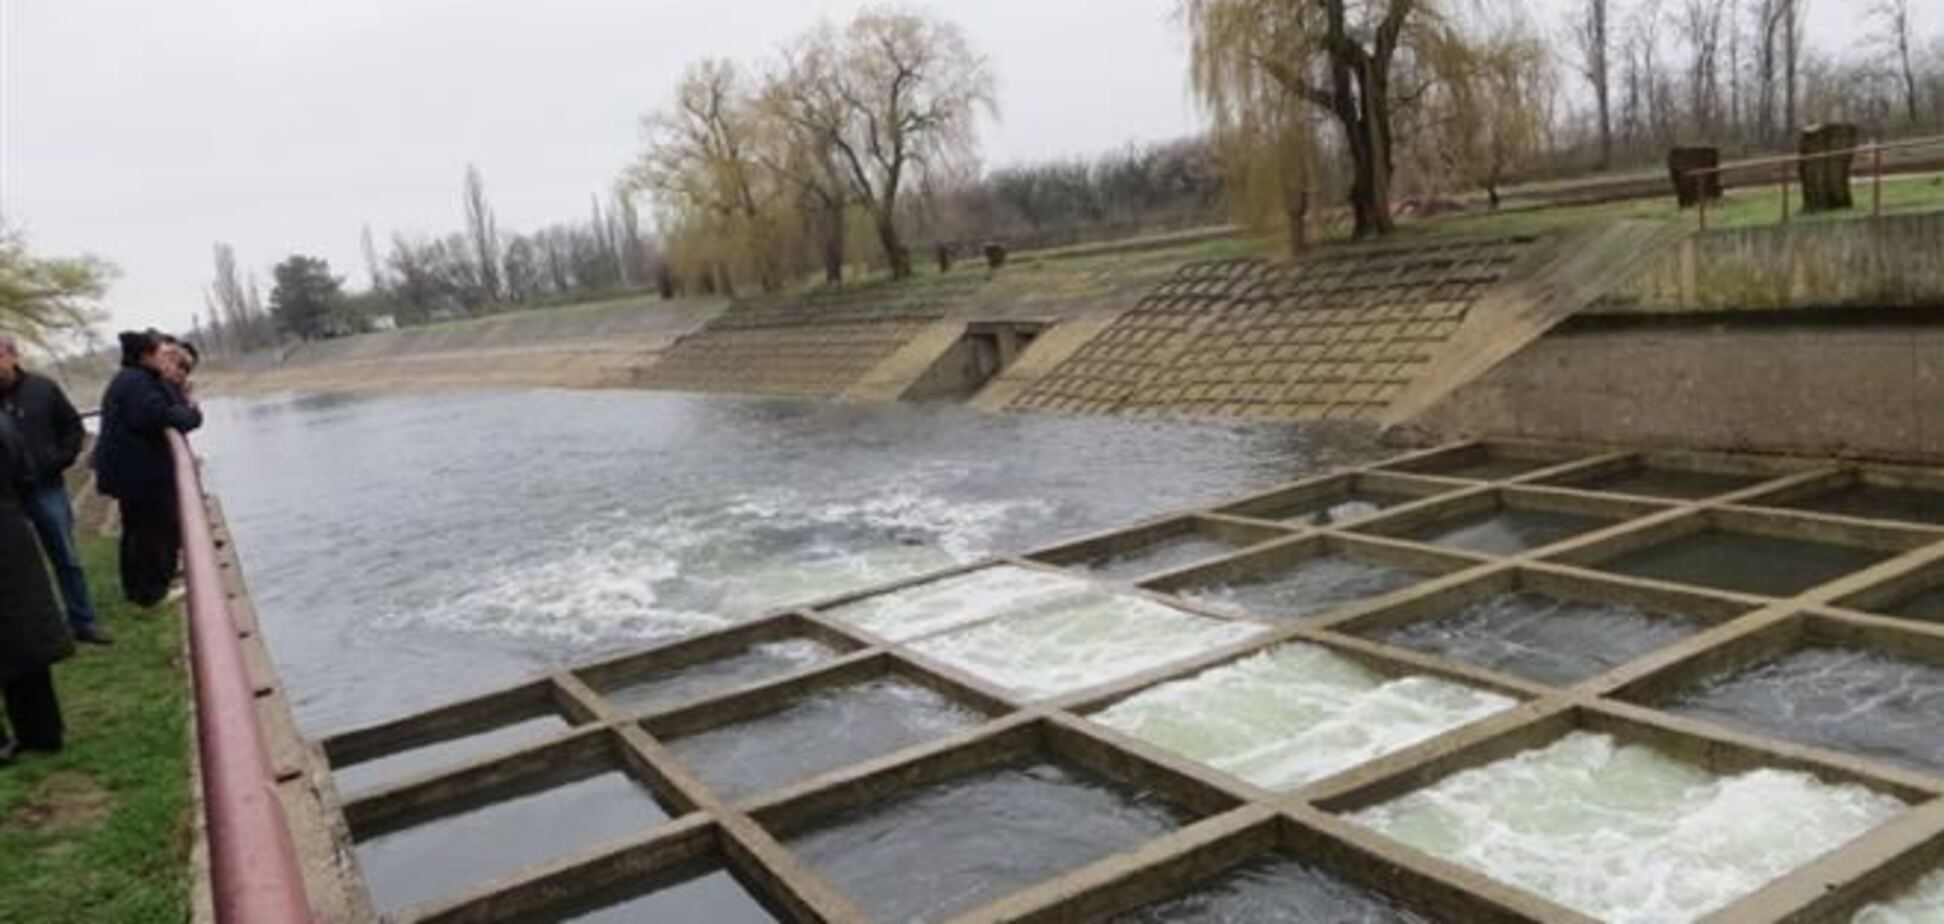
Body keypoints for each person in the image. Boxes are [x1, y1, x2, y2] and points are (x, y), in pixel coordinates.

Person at [0, 334, 108, 645]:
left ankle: (83, 622)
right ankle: (27, 631)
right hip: (7, 499)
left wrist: (59, 460)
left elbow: (72, 427)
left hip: (46, 487)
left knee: (66, 558)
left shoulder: (43, 389)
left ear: (13, 355)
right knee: (14, 564)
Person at [93, 330, 203, 607]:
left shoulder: (133, 380)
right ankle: (151, 593)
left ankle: (138, 591)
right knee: (151, 532)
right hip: (139, 474)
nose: (163, 360)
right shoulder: (137, 384)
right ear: (145, 356)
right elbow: (163, 416)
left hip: (132, 471)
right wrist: (193, 413)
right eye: (158, 354)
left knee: (138, 532)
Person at [0, 404, 75, 763]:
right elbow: (25, 473)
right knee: (21, 634)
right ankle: (43, 731)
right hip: (9, 530)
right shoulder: (4, 422)